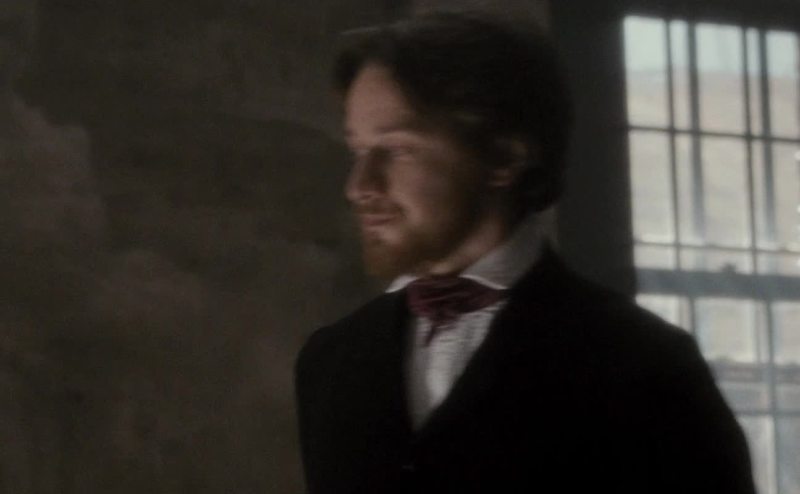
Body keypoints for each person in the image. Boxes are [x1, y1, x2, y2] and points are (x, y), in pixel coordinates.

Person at [294, 11, 756, 494]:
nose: (359, 186)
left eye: (398, 149)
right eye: (358, 151)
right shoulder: (330, 363)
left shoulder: (644, 364)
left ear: (506, 157)